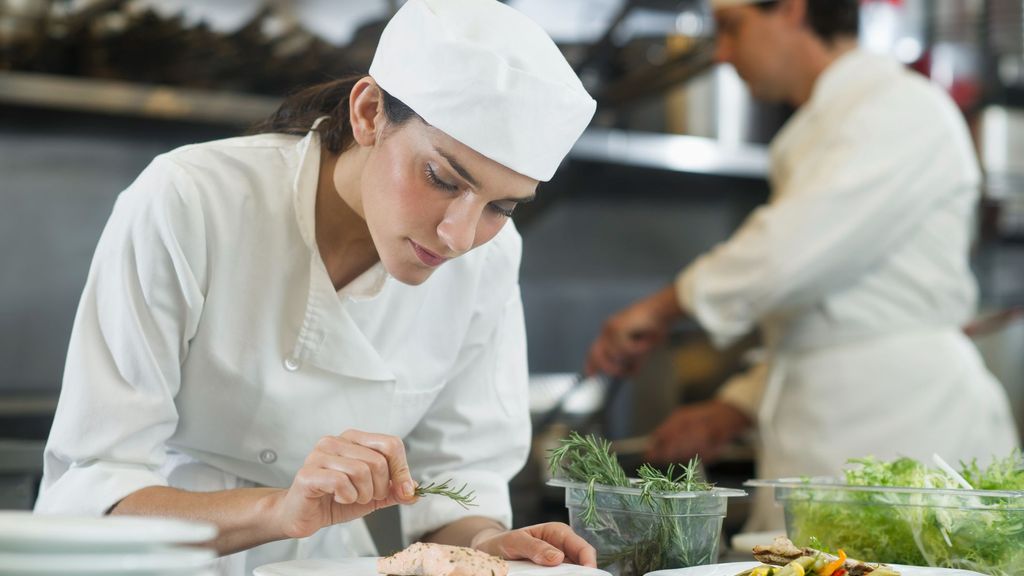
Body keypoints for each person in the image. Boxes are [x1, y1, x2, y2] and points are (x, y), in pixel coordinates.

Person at [36, 1, 597, 574]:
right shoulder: (190, 201)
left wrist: (483, 545)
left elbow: (458, 486)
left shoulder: (490, 258)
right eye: (440, 178)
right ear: (369, 112)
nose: (459, 236)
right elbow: (92, 499)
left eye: (500, 206)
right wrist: (281, 511)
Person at [586, 0, 1019, 530]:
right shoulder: (835, 118)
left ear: (792, 10)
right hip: (838, 421)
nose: (722, 53)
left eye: (732, 26)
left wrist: (661, 307)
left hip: (902, 424)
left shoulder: (898, 107)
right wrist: (737, 406)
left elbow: (785, 254)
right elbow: (832, 311)